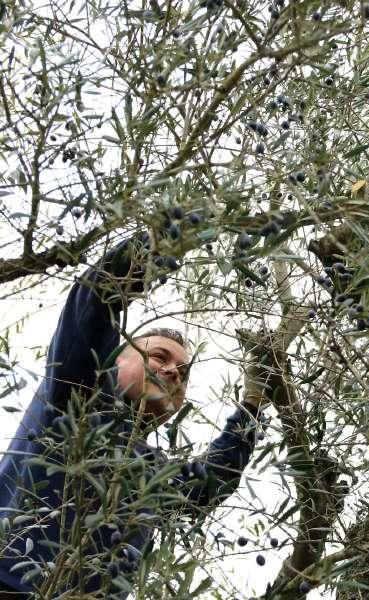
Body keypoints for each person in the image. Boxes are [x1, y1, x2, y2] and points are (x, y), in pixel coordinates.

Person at [0, 233, 266, 598]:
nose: (174, 372)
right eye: (159, 357)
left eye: (184, 373)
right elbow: (93, 304)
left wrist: (253, 402)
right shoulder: (76, 393)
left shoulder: (153, 472)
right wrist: (151, 246)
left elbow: (211, 482)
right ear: (114, 358)